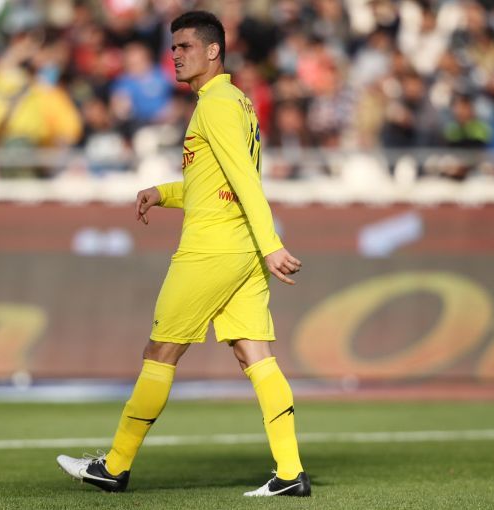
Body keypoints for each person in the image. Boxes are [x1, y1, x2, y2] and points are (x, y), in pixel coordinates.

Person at [56, 10, 310, 498]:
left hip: (212, 250)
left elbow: (244, 180)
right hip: (240, 250)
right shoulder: (234, 102)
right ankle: (289, 472)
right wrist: (164, 193)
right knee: (255, 353)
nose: (175, 55)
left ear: (213, 51)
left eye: (185, 46)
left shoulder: (215, 106)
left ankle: (114, 465)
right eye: (173, 47)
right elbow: (212, 184)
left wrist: (273, 245)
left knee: (161, 351)